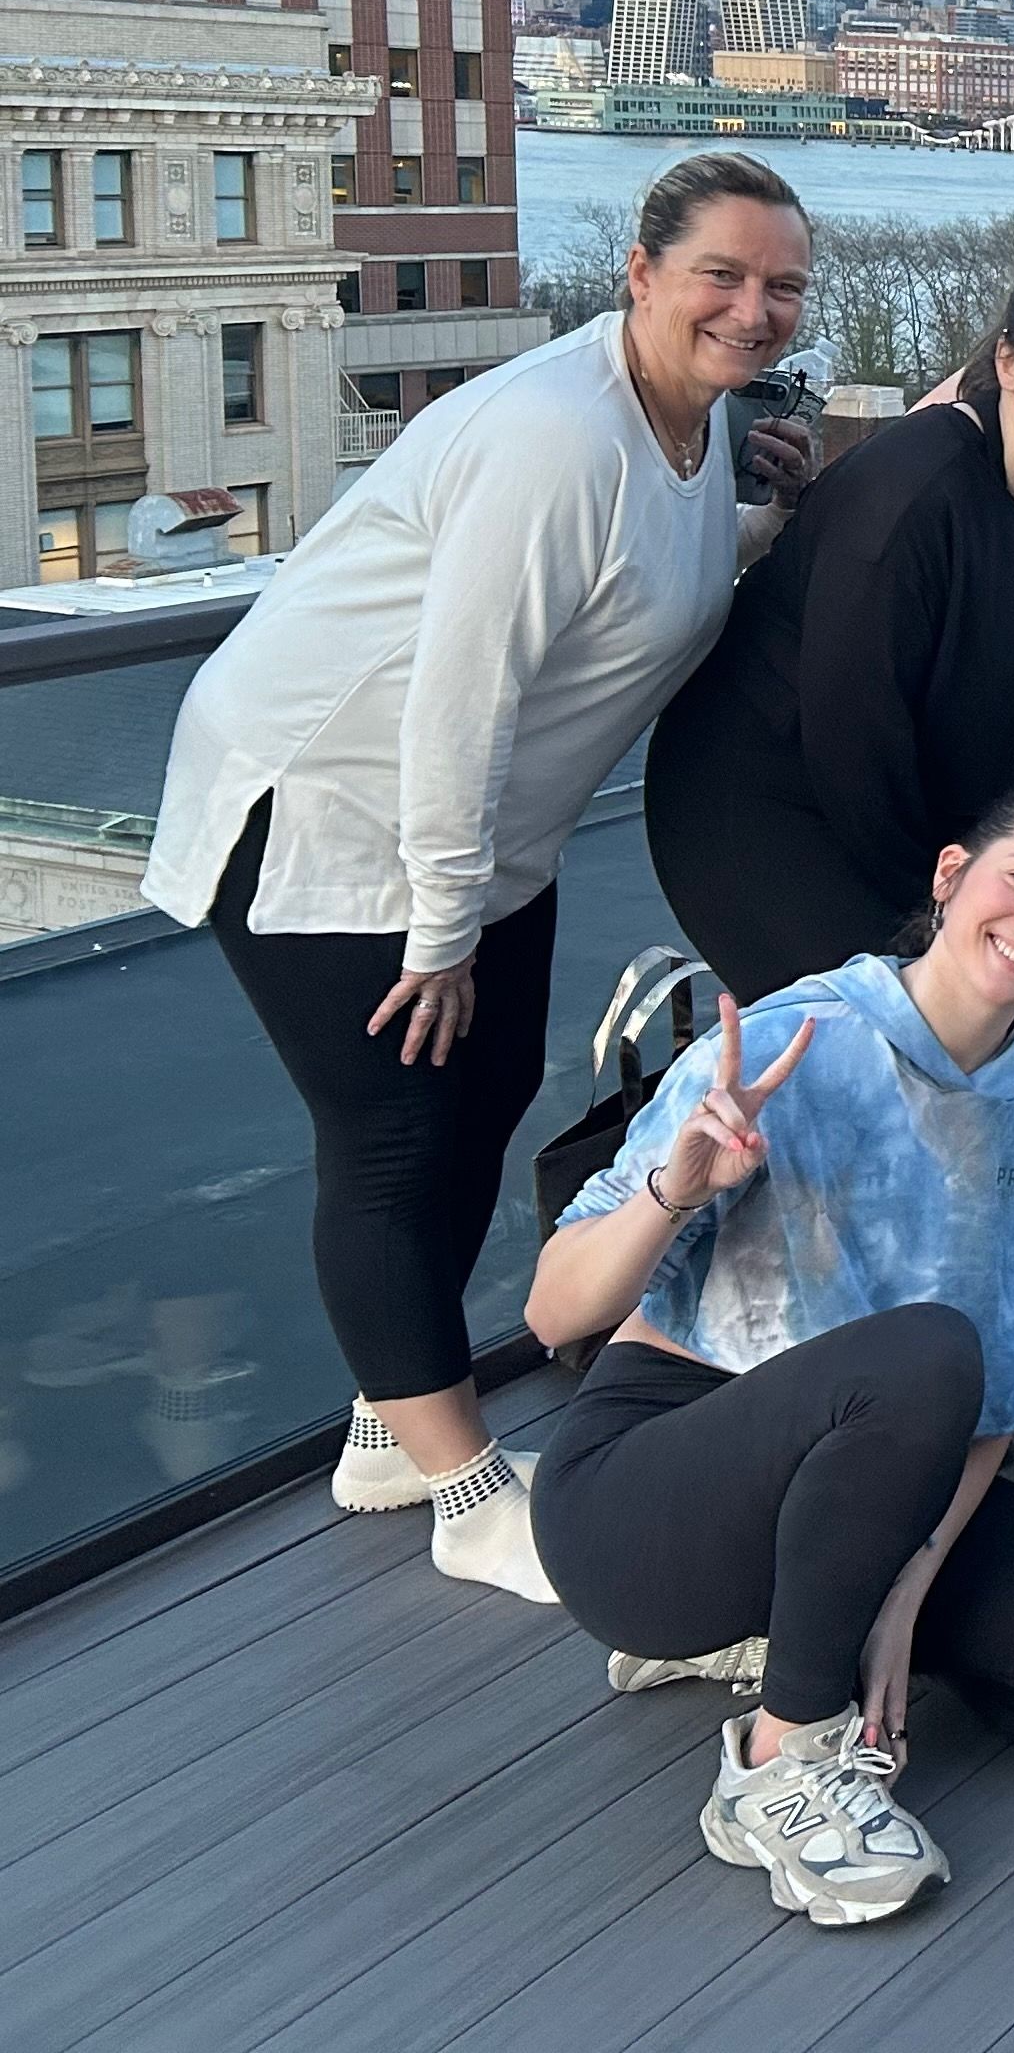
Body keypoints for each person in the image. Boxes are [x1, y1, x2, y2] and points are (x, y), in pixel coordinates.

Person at [147, 151, 816, 1595]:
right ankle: (461, 1486)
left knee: (486, 1101)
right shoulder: (554, 440)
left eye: (780, 286)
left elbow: (649, 591)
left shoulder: (691, 424)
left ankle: (395, 1419)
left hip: (472, 835)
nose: (754, 310)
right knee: (391, 1140)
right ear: (640, 272)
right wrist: (440, 929)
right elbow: (463, 698)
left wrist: (779, 520)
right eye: (721, 274)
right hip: (330, 808)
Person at [527, 785, 1014, 1930]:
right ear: (950, 878)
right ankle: (784, 1761)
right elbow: (552, 1314)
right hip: (652, 1480)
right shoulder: (799, 1039)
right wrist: (673, 1189)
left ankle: (803, 1629)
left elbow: (1000, 1387)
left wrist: (910, 1587)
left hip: (895, 1468)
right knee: (920, 1353)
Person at [649, 253, 1014, 999]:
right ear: (1010, 362)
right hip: (772, 806)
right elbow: (853, 745)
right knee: (888, 1038)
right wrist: (945, 909)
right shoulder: (909, 500)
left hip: (926, 811)